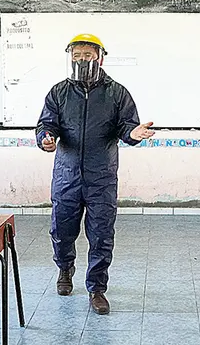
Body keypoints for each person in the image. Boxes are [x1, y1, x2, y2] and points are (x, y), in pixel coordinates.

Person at [36, 33, 156, 315]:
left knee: (101, 234)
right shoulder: (59, 92)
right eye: (76, 56)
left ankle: (97, 288)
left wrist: (134, 133)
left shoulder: (117, 93)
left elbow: (127, 127)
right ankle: (65, 269)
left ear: (100, 58)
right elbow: (45, 124)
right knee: (62, 230)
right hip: (66, 175)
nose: (81, 61)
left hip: (101, 176)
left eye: (87, 56)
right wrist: (45, 138)